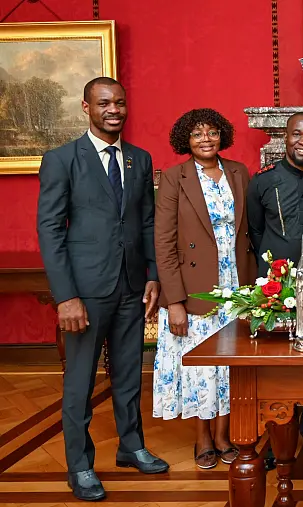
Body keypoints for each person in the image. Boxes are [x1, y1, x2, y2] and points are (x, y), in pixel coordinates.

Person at [37, 77, 169, 502]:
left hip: (132, 285)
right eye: (105, 103)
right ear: (86, 107)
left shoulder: (139, 159)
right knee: (79, 382)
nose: (114, 109)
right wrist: (66, 297)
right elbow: (50, 229)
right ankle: (79, 465)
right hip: (85, 291)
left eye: (120, 102)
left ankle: (131, 446)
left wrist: (152, 275)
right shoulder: (62, 159)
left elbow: (147, 221)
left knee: (129, 375)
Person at [153, 108, 255, 469]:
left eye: (211, 132)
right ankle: (202, 438)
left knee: (230, 366)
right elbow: (163, 241)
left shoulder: (238, 172)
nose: (206, 139)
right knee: (200, 369)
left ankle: (226, 435)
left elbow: (250, 234)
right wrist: (175, 301)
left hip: (236, 288)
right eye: (197, 134)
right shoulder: (173, 177)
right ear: (186, 140)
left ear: (221, 136)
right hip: (195, 291)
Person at [247, 112, 303, 467]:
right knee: (276, 362)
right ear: (286, 137)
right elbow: (255, 231)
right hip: (275, 283)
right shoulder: (262, 182)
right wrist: (275, 266)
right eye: (297, 134)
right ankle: (275, 436)